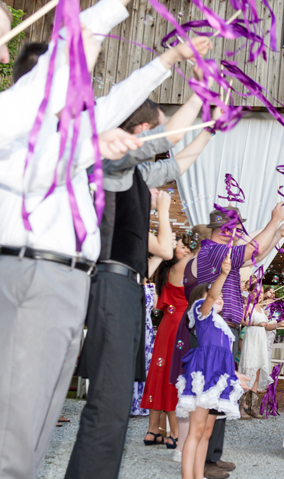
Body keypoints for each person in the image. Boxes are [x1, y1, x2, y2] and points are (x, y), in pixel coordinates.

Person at [0, 2, 145, 476]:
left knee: (37, 421)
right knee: (15, 426)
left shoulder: (63, 137)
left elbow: (116, 104)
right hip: (33, 272)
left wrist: (167, 61)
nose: (4, 53)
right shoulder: (21, 131)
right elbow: (37, 173)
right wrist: (98, 21)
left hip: (67, 281)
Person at [176, 254, 249, 479]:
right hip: (204, 377)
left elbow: (223, 358)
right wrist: (224, 274)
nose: (218, 298)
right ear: (202, 298)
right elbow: (211, 296)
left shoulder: (223, 327)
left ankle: (199, 476)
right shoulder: (202, 313)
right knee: (196, 431)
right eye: (213, 295)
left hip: (217, 378)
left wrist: (236, 375)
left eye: (220, 297)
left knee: (206, 432)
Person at [140, 234, 195, 447]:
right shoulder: (183, 266)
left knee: (160, 374)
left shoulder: (167, 269)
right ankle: (174, 433)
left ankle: (153, 431)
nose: (186, 251)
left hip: (167, 324)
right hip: (179, 324)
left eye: (186, 248)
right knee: (174, 376)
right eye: (182, 248)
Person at [239, 285, 274, 418]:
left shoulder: (263, 310)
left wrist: (279, 324)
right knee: (248, 372)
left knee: (257, 375)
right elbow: (242, 320)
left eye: (261, 292)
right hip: (251, 340)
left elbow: (267, 326)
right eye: (256, 292)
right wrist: (255, 324)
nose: (259, 294)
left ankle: (253, 407)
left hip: (260, 343)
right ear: (250, 293)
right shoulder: (247, 307)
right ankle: (241, 407)